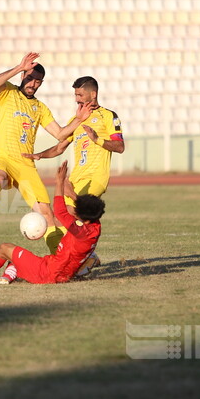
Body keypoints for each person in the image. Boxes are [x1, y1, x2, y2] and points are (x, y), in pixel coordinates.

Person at [0, 52, 91, 253]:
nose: (32, 84)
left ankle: (58, 256)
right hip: (2, 155)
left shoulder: (40, 108)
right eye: (29, 78)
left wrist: (78, 120)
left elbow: (60, 134)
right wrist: (18, 67)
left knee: (46, 212)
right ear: (23, 77)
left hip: (25, 164)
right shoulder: (9, 93)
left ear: (41, 83)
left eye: (37, 81)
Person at [22, 76, 124, 276]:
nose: (76, 99)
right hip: (76, 179)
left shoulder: (108, 116)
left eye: (80, 95)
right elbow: (60, 147)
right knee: (58, 221)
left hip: (95, 178)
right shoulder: (76, 120)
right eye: (75, 95)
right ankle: (77, 263)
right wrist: (39, 155)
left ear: (93, 94)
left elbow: (119, 146)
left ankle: (78, 262)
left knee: (70, 212)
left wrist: (97, 140)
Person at [0, 161, 104, 285]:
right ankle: (5, 279)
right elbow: (88, 210)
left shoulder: (80, 231)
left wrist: (58, 182)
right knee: (15, 260)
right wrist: (72, 195)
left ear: (82, 217)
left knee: (5, 248)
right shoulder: (95, 226)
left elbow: (60, 211)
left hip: (48, 272)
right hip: (60, 272)